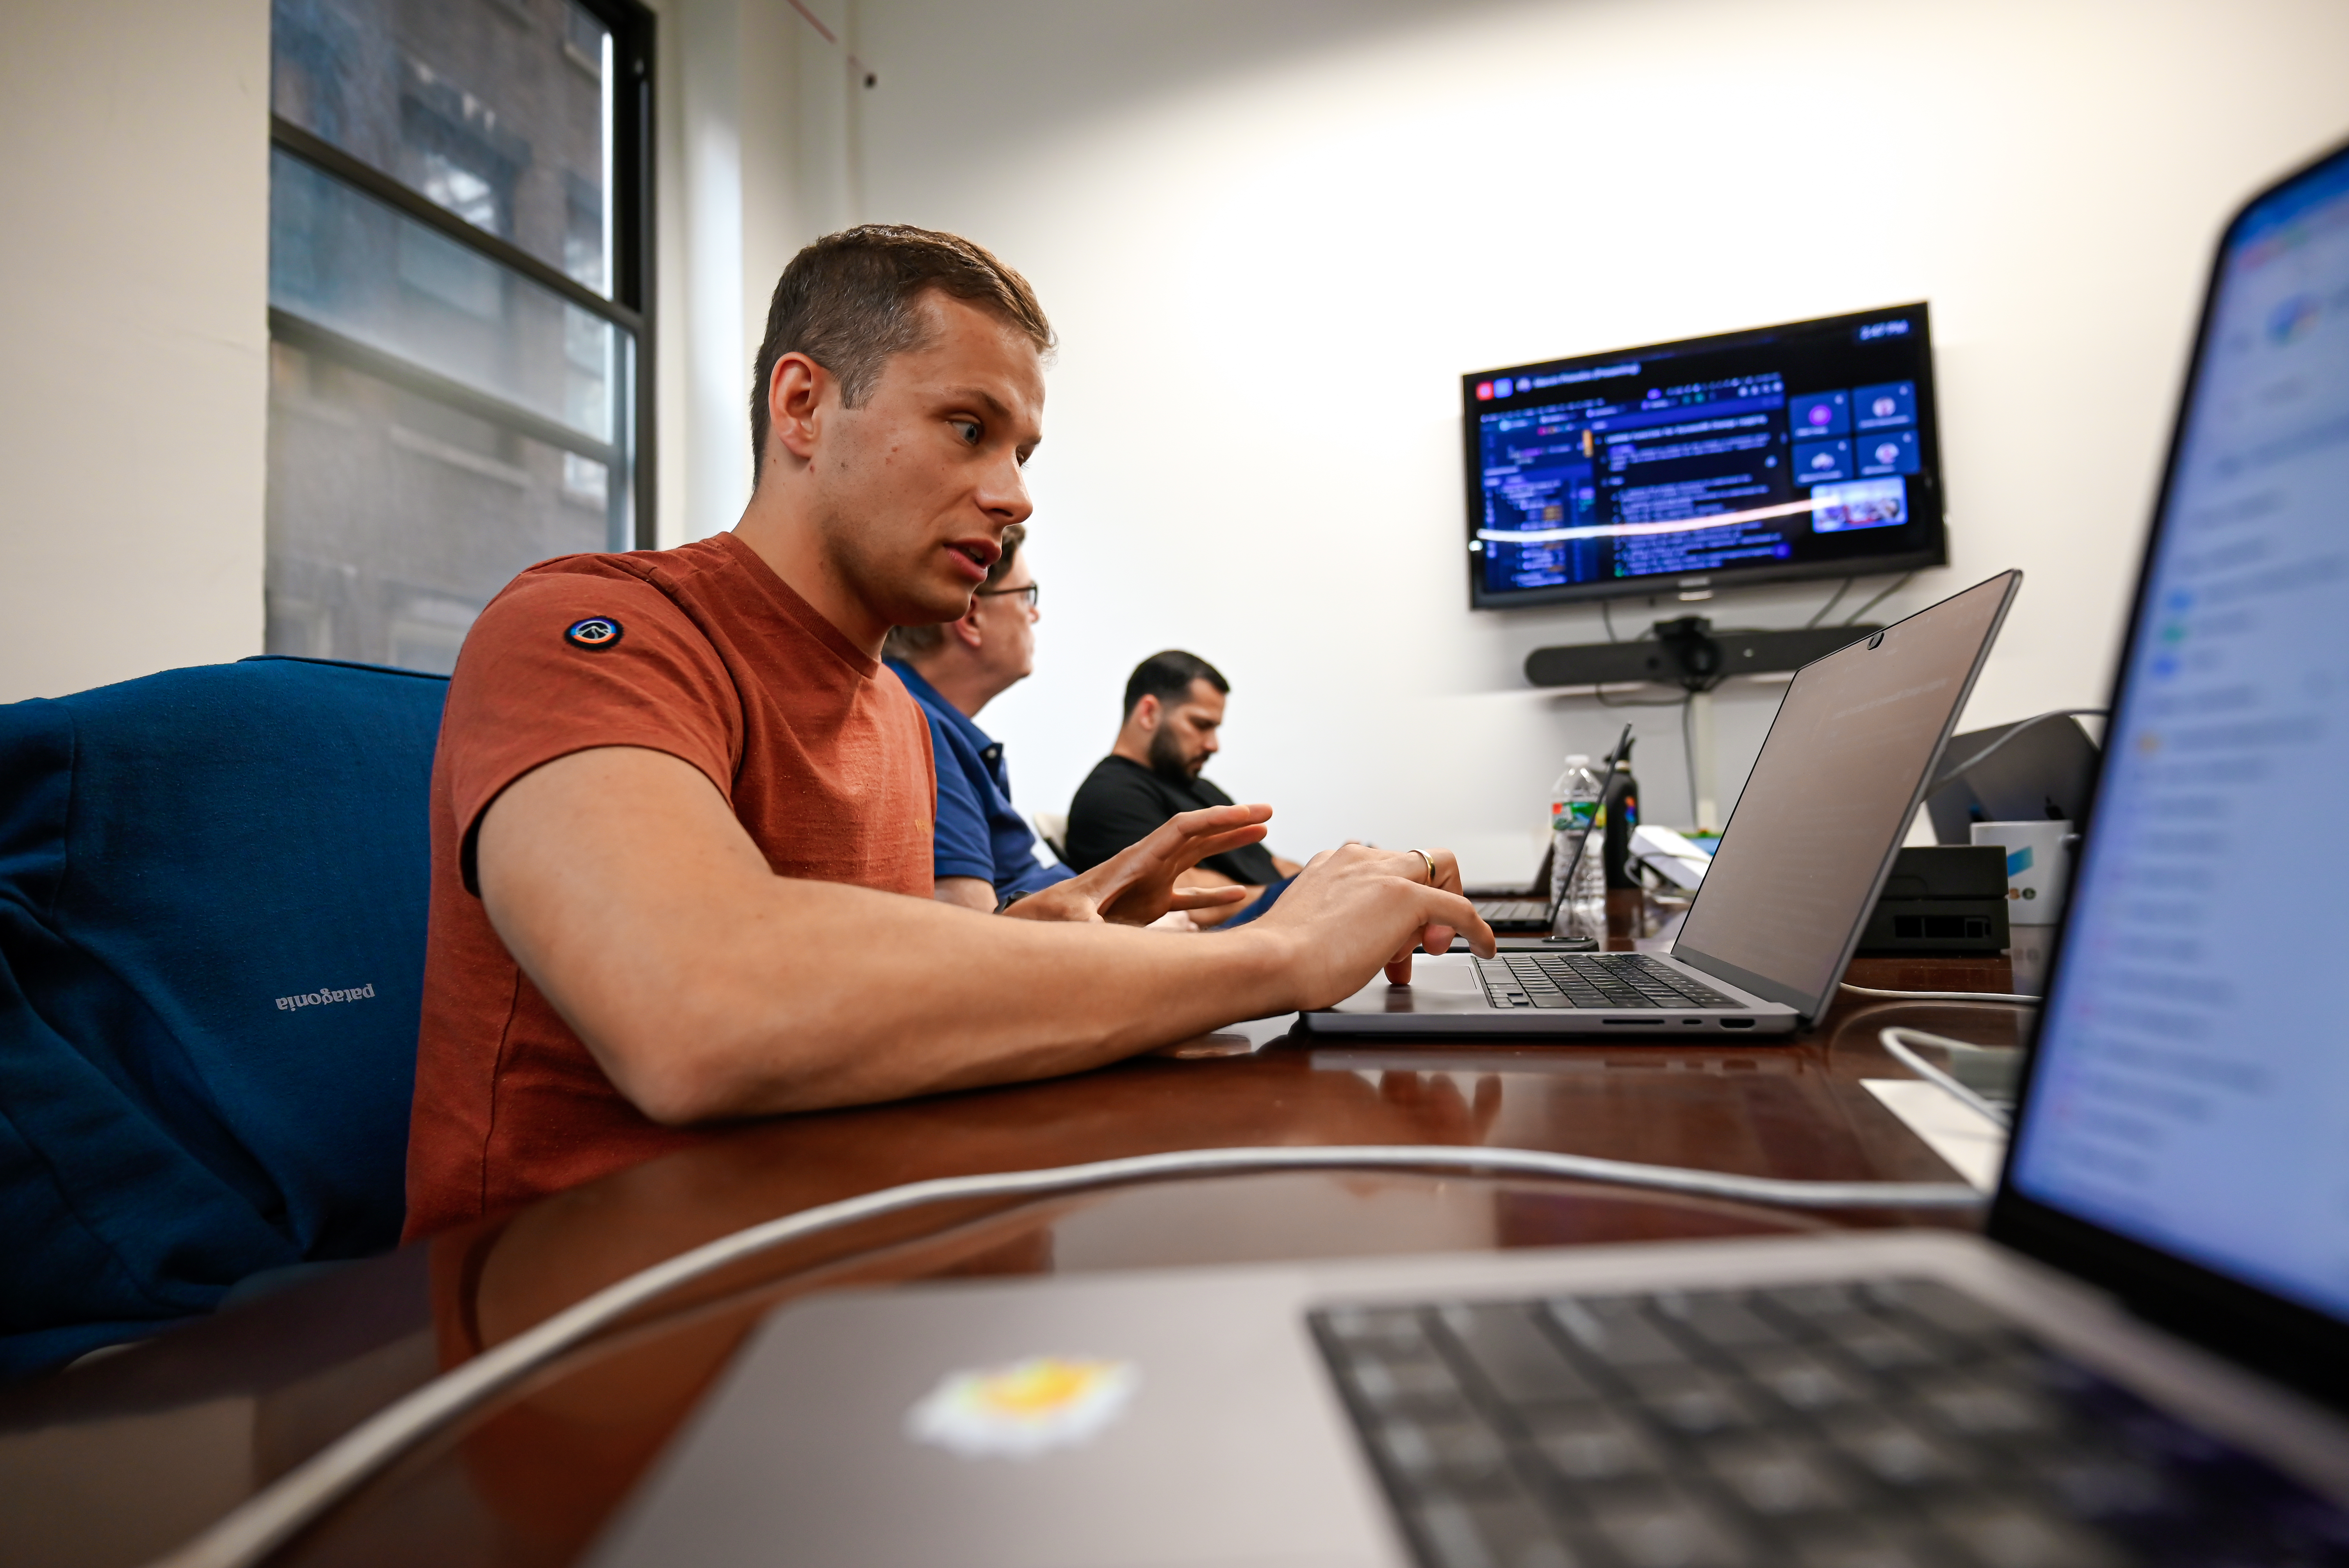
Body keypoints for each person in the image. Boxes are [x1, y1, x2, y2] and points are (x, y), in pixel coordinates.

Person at [402, 224, 1490, 1238]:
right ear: (802, 407)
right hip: (582, 1333)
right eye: (969, 430)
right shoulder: (589, 630)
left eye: (1023, 452)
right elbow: (700, 1009)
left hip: (839, 1266)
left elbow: (866, 1004)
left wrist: (1052, 942)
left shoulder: (897, 714)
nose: (1014, 496)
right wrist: (1280, 953)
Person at [882, 523, 1069, 909]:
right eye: (1025, 596)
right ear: (970, 618)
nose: (1034, 614)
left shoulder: (941, 730)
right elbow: (972, 919)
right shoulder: (915, 726)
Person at [1064, 650, 1305, 927]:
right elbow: (1187, 898)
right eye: (1201, 725)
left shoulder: (1201, 789)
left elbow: (1272, 864)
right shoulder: (1109, 797)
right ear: (1149, 713)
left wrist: (1321, 878)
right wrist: (1298, 894)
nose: (1213, 745)